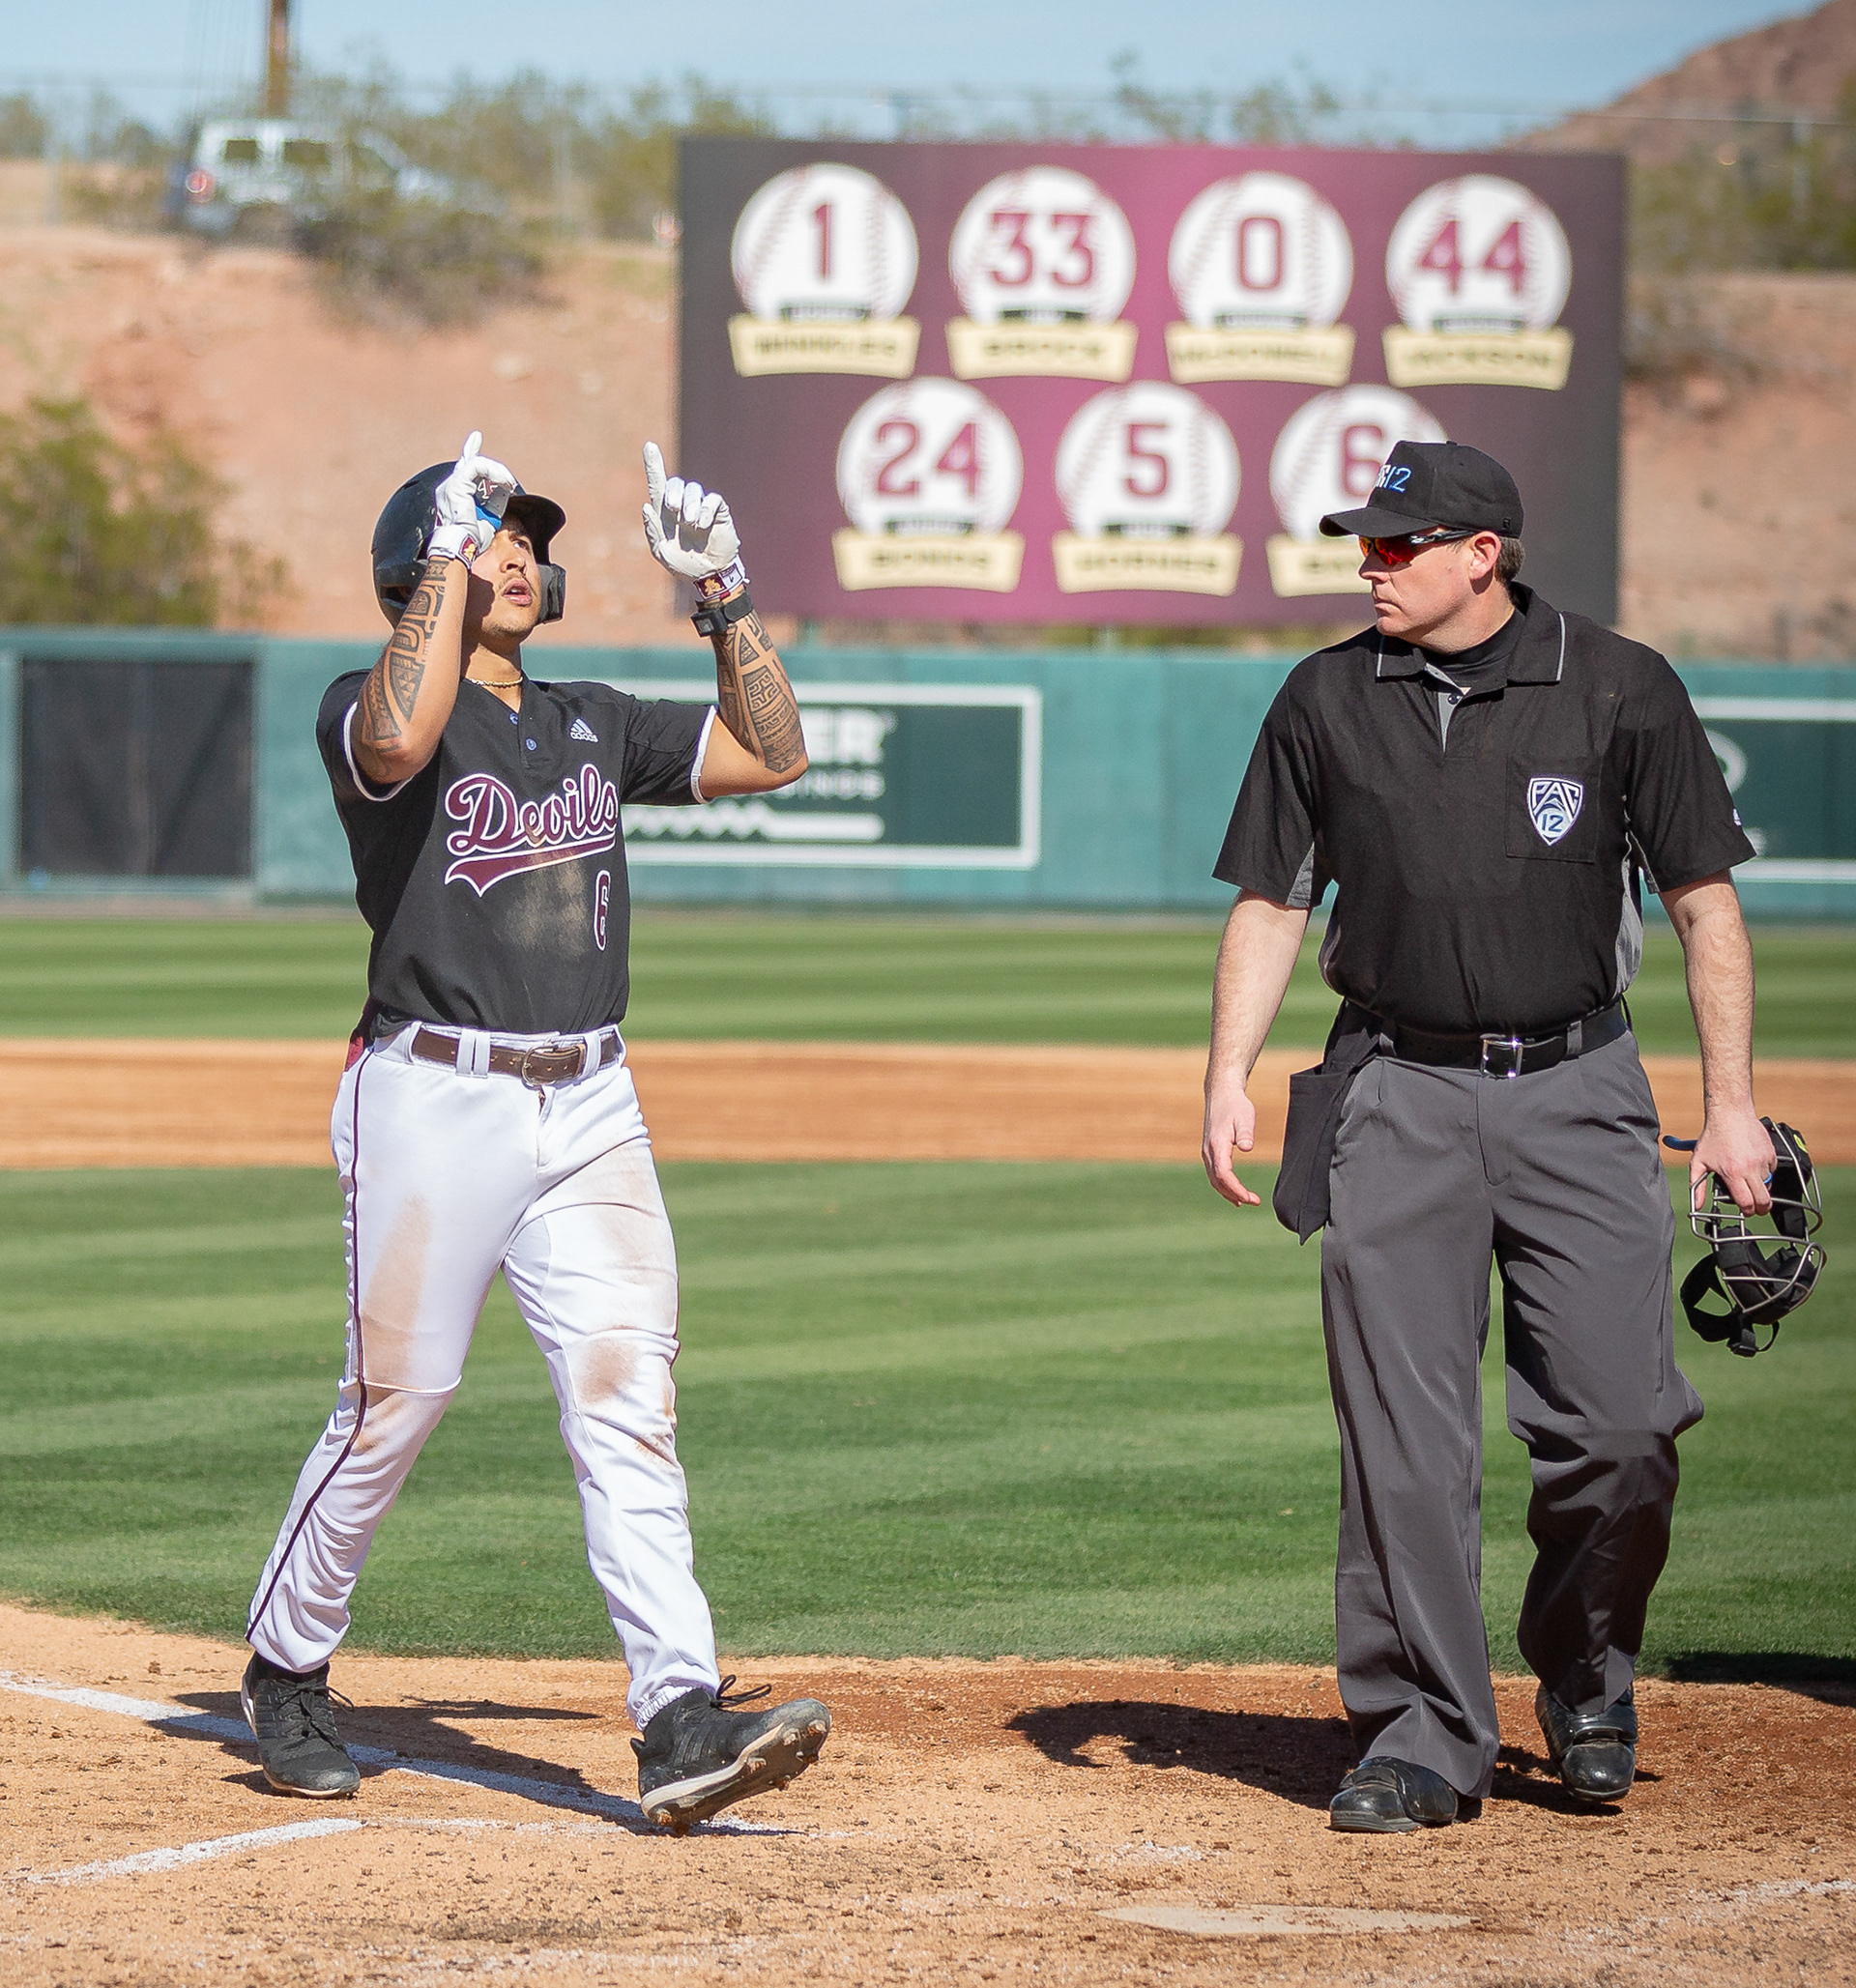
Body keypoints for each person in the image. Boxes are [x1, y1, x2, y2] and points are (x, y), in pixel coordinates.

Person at [241, 433, 831, 1833]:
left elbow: (775, 753)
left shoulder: (591, 716)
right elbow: (395, 734)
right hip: (435, 1095)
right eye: (494, 530)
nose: (523, 548)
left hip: (593, 1106)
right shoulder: (373, 707)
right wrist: (443, 559)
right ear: (425, 560)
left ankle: (680, 1714)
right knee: (399, 1402)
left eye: (527, 535)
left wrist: (728, 594)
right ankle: (287, 1665)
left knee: (630, 1404)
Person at [1201, 440, 1771, 1833]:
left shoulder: (1622, 685)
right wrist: (1230, 1068)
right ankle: (1421, 1731)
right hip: (1394, 1089)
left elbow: (1705, 905)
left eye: (1400, 543)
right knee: (1403, 1440)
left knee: (1623, 1428)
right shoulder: (1325, 695)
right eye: (1366, 541)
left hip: (1581, 1091)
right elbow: (1275, 901)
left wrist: (1735, 1101)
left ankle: (1583, 1662)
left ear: (1482, 553)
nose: (1370, 563)